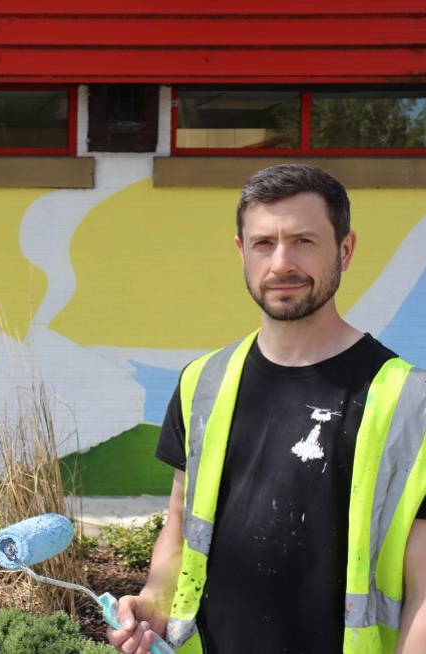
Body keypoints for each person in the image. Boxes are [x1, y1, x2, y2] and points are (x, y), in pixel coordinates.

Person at [107, 164, 426, 654]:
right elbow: (179, 517)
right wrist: (155, 596)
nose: (282, 264)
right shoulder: (202, 382)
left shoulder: (410, 402)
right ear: (241, 252)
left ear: (345, 249)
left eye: (304, 241)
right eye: (263, 243)